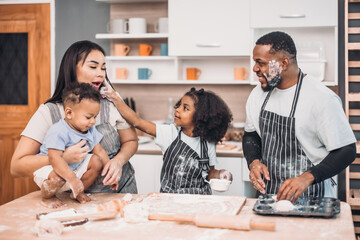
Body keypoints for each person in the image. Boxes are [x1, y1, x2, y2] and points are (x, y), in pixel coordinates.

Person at [11, 40, 138, 208]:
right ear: (72, 68)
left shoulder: (112, 102)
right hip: (72, 202)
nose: (100, 74)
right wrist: (62, 158)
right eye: (93, 67)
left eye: (103, 68)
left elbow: (131, 141)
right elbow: (17, 166)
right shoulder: (49, 112)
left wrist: (118, 162)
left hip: (122, 193)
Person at [243, 31, 356, 202]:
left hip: (313, 198)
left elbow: (346, 150)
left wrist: (307, 178)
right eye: (255, 62)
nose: (255, 69)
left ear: (284, 63)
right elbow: (251, 135)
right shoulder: (257, 95)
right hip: (269, 198)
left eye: (261, 63)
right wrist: (254, 162)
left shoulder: (321, 98)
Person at [101, 84, 233, 194]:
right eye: (179, 105)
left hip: (200, 200)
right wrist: (115, 98)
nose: (177, 110)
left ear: (202, 116)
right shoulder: (169, 133)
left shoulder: (208, 143)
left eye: (185, 108)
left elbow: (210, 174)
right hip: (170, 200)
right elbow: (137, 121)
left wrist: (220, 174)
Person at [34, 83, 114, 208]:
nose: (93, 121)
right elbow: (54, 158)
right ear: (69, 113)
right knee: (58, 176)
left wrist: (110, 172)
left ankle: (77, 192)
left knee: (96, 161)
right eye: (88, 117)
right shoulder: (58, 131)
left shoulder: (90, 130)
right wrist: (72, 178)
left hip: (74, 168)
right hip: (49, 169)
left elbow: (99, 151)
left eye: (95, 117)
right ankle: (47, 197)